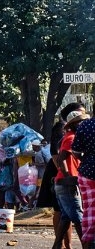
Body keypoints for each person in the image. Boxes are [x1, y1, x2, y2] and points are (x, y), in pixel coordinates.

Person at [53, 110, 87, 249]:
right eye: (81, 121)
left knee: (66, 217)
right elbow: (61, 158)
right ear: (74, 124)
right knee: (78, 216)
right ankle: (86, 244)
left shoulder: (70, 136)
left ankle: (56, 245)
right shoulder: (71, 138)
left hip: (62, 183)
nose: (83, 123)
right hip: (66, 183)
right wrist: (68, 177)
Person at [70, 106, 95, 248]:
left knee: (90, 209)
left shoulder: (85, 125)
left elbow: (75, 151)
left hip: (87, 172)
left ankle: (88, 242)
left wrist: (86, 157)